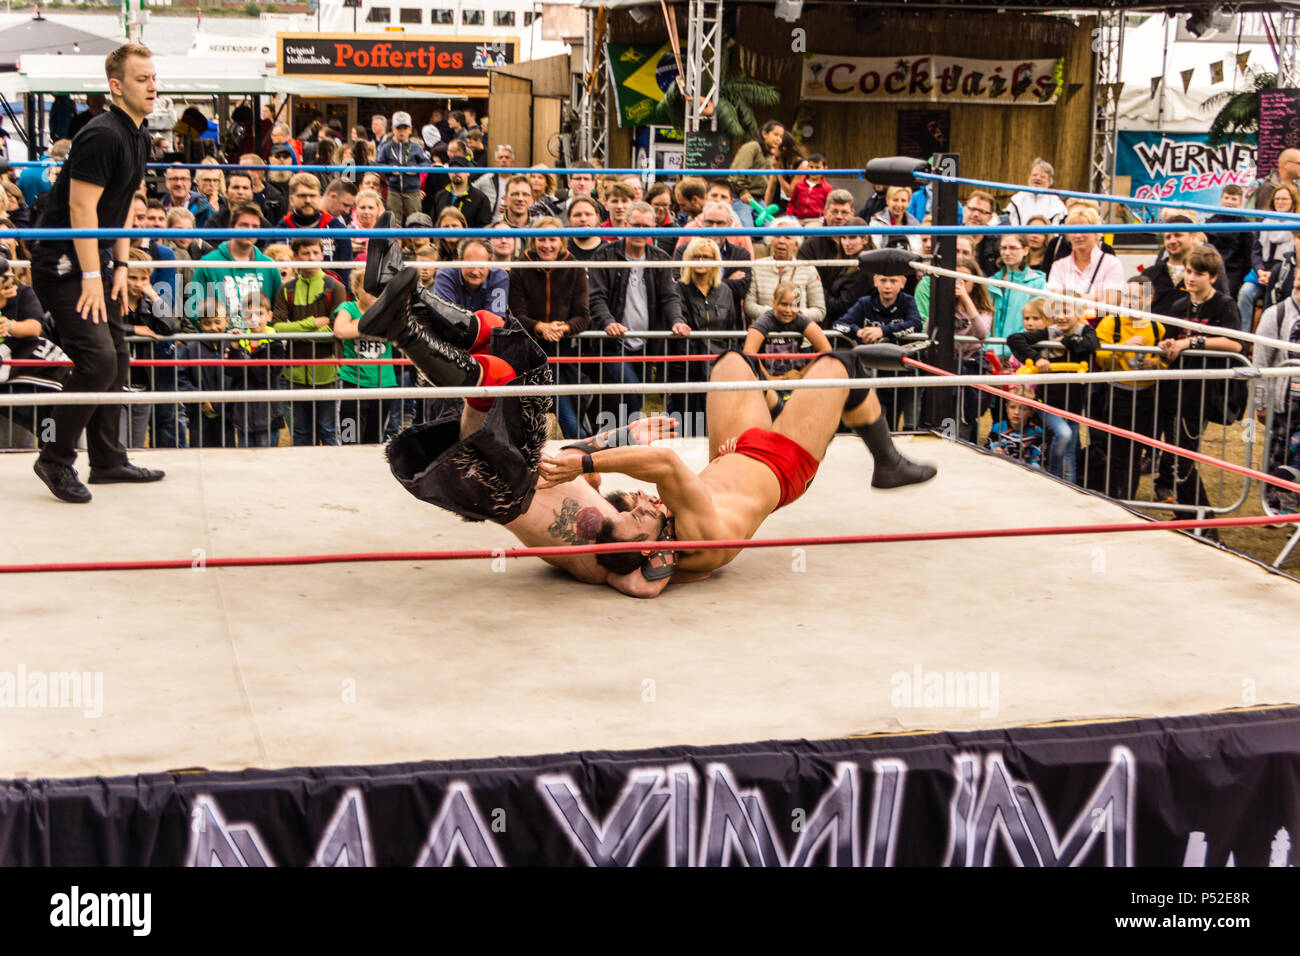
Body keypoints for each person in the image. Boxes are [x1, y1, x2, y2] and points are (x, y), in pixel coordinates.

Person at [354, 223, 679, 597]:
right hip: (520, 460)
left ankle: (399, 329)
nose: (647, 506)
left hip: (508, 485)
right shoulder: (602, 503)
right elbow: (579, 455)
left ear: (648, 547)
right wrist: (625, 437)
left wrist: (668, 536)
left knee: (500, 375)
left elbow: (646, 588)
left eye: (647, 518)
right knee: (498, 332)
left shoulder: (602, 567)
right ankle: (397, 286)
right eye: (646, 506)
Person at [534, 339, 939, 579]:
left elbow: (625, 561)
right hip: (783, 463)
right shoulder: (697, 538)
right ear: (650, 550)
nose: (644, 504)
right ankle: (887, 463)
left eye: (633, 509)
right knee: (841, 365)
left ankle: (775, 402)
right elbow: (665, 463)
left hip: (736, 452)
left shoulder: (665, 536)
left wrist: (586, 459)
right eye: (639, 517)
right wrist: (585, 463)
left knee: (732, 362)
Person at [31, 43, 164, 503]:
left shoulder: (138, 134)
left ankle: (107, 460)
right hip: (63, 262)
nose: (152, 85)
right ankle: (54, 458)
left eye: (153, 77)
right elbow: (81, 208)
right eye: (142, 79)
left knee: (118, 354)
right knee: (98, 359)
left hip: (96, 260)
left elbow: (124, 205)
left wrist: (120, 265)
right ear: (116, 87)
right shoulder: (102, 134)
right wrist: (92, 275)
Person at [1155, 244, 1243, 510]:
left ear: (1213, 277)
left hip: (1201, 392)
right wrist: (1167, 346)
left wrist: (1191, 343)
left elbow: (1236, 344)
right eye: (1189, 271)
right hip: (1173, 387)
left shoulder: (1224, 305)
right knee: (1174, 452)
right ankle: (1187, 510)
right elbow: (1168, 338)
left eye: (1199, 273)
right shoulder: (1179, 305)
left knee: (1184, 456)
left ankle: (1200, 517)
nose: (1191, 278)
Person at [587, 201, 683, 428]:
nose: (640, 231)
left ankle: (613, 436)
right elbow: (596, 296)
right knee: (633, 394)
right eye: (635, 225)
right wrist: (608, 322)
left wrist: (677, 321)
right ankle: (623, 438)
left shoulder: (660, 258)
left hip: (645, 343)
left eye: (645, 226)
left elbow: (669, 296)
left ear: (653, 229)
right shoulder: (605, 254)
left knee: (626, 397)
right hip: (613, 341)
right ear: (625, 224)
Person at [508, 219, 591, 438]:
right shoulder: (520, 268)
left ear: (561, 241)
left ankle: (585, 458)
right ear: (533, 242)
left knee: (571, 422)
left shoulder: (574, 267)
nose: (547, 245)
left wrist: (563, 328)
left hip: (561, 356)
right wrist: (540, 327)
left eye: (552, 239)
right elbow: (516, 314)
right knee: (524, 425)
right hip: (527, 356)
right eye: (541, 239)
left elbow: (583, 316)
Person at [1007, 296, 1098, 485]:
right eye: (1057, 312)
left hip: (1073, 405)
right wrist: (1037, 357)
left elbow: (1090, 345)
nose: (1061, 317)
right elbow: (1014, 339)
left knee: (1070, 454)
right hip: (1047, 402)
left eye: (1066, 312)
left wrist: (1066, 341)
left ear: (1079, 313)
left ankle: (1069, 489)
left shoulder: (1086, 331)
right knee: (1064, 434)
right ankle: (1053, 478)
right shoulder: (1049, 332)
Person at [271, 237, 347, 446]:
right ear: (296, 257)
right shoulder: (286, 289)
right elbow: (277, 327)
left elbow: (335, 329)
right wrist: (311, 323)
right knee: (301, 433)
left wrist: (295, 330)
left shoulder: (336, 287)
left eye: (315, 252)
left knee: (329, 430)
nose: (311, 258)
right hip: (295, 374)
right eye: (305, 253)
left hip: (328, 373)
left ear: (322, 255)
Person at [671, 237, 744, 427]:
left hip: (717, 366)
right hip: (685, 367)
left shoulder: (725, 290)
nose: (701, 261)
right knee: (684, 423)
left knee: (715, 423)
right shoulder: (678, 288)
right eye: (696, 256)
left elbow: (732, 328)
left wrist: (731, 361)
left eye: (706, 257)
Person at [192, 202, 283, 332]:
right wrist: (217, 333)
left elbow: (277, 310)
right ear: (232, 226)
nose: (250, 230)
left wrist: (262, 335)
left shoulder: (269, 266)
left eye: (255, 226)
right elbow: (194, 308)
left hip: (259, 344)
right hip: (221, 344)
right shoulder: (208, 263)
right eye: (244, 225)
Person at [333, 269, 398, 444]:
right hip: (353, 383)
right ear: (355, 288)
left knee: (374, 441)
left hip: (384, 384)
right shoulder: (348, 307)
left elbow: (397, 330)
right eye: (369, 289)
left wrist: (356, 325)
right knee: (349, 438)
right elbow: (340, 330)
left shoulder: (389, 310)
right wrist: (373, 325)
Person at [1252, 267, 1300, 503]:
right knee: (1277, 456)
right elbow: (1261, 362)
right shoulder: (1276, 314)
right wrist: (1260, 403)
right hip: (1284, 403)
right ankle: (1272, 502)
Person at [743, 279, 833, 398]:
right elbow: (749, 352)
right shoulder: (765, 321)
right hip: (766, 386)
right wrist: (768, 379)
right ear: (774, 303)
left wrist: (801, 374)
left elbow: (826, 349)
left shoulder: (801, 320)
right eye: (784, 304)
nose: (788, 311)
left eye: (794, 305)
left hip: (793, 384)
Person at [1237, 183, 1298, 332]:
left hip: (1284, 271)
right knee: (1245, 293)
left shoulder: (1297, 225)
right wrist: (1260, 271)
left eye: (1284, 199)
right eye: (1277, 199)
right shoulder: (1264, 223)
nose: (1280, 202)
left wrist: (1273, 275)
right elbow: (1256, 251)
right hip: (1261, 272)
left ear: (1293, 201)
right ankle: (1243, 336)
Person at [744, 221, 825, 325]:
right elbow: (748, 305)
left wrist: (794, 313)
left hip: (799, 335)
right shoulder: (757, 266)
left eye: (787, 237)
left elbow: (820, 311)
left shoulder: (808, 268)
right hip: (765, 333)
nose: (781, 241)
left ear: (796, 244)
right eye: (777, 236)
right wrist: (774, 313)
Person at [1046, 207, 1126, 302]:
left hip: (1100, 317)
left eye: (1084, 230)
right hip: (1065, 316)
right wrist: (1096, 297)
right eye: (1073, 231)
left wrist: (1073, 299)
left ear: (1096, 232)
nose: (1078, 235)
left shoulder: (1111, 263)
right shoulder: (1059, 265)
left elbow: (1112, 300)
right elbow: (1053, 300)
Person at [988, 233, 1048, 360]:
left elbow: (1036, 321)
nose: (1007, 252)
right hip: (989, 354)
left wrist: (1007, 349)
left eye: (1013, 248)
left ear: (1025, 250)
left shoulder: (1037, 282)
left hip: (1020, 354)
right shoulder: (990, 282)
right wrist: (988, 349)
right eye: (1003, 248)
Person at [728, 120, 784, 227]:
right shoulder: (752, 147)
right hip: (742, 198)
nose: (778, 139)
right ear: (764, 134)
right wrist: (742, 191)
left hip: (758, 200)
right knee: (746, 229)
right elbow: (737, 171)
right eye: (775, 134)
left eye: (781, 137)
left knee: (771, 229)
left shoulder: (769, 154)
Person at [376, 111, 430, 221]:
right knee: (394, 221)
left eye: (405, 128)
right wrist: (390, 169)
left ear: (410, 130)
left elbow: (426, 163)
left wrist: (416, 169)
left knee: (415, 220)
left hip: (413, 190)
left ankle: (415, 238)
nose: (402, 131)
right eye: (398, 128)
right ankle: (396, 239)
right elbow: (378, 164)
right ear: (392, 129)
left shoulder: (416, 147)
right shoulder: (386, 147)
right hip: (393, 190)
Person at [1206, 183, 1254, 297]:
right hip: (1213, 269)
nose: (1229, 202)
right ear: (1221, 200)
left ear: (1240, 203)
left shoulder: (1245, 224)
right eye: (1226, 198)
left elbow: (1248, 254)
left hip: (1233, 272)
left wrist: (1242, 277)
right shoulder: (1211, 222)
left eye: (1234, 199)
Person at [985, 384, 1044, 467]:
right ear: (1006, 408)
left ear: (1032, 411)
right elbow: (986, 452)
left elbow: (1037, 460)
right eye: (1012, 407)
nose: (1016, 412)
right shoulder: (997, 428)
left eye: (1023, 408)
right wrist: (994, 451)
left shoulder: (1037, 432)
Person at [427, 156, 492, 226]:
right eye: (452, 169)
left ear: (468, 172)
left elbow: (484, 226)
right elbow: (434, 222)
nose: (455, 172)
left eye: (460, 168)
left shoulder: (480, 198)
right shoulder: (440, 196)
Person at [1005, 158, 1068, 226]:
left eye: (1042, 177)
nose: (1038, 178)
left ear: (1049, 182)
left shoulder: (1056, 204)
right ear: (1029, 178)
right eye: (1034, 175)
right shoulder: (1017, 199)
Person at [785, 154, 832, 223]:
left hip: (817, 220)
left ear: (825, 169)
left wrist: (824, 219)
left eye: (817, 167)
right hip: (798, 219)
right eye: (811, 167)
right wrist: (789, 215)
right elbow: (792, 203)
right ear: (807, 167)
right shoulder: (799, 185)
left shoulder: (827, 188)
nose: (814, 170)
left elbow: (829, 206)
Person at [472, 143, 514, 213]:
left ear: (512, 161)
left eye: (507, 157)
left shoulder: (520, 180)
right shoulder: (486, 179)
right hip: (492, 221)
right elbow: (471, 190)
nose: (504, 160)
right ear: (496, 162)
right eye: (500, 157)